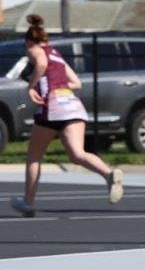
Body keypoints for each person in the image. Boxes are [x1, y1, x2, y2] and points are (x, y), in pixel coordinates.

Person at [10, 15, 124, 217]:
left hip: (52, 107)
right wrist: (57, 85)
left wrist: (31, 86)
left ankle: (28, 203)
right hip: (72, 105)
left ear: (30, 40)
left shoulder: (34, 50)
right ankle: (109, 174)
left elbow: (41, 65)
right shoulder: (56, 54)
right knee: (77, 154)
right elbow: (76, 83)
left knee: (34, 156)